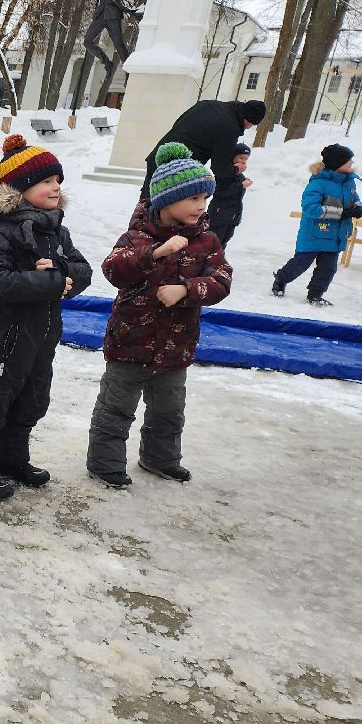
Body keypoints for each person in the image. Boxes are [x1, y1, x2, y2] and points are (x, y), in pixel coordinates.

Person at [0, 136, 92, 499]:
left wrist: (59, 272)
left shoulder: (57, 231)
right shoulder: (1, 230)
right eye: (46, 181)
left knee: (30, 401)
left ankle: (11, 458)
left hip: (41, 337)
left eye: (58, 180)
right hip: (2, 337)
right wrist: (49, 281)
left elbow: (82, 270)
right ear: (22, 188)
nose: (55, 187)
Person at [87, 144, 232, 487]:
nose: (201, 206)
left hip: (176, 346)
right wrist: (153, 254)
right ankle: (104, 464)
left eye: (205, 199)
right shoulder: (137, 235)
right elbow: (114, 271)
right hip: (130, 343)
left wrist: (186, 290)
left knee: (169, 411)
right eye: (193, 197)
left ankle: (160, 458)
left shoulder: (207, 240)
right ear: (167, 199)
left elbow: (222, 280)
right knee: (115, 409)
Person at [272, 143, 362, 307]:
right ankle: (281, 279)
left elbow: (353, 198)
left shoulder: (349, 182)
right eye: (348, 160)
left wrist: (358, 207)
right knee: (301, 263)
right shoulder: (318, 183)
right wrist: (340, 213)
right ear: (337, 164)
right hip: (315, 233)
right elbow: (310, 208)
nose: (351, 163)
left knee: (328, 269)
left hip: (335, 235)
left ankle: (315, 294)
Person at [142, 98, 264, 198]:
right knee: (161, 217)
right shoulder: (230, 128)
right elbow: (219, 169)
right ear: (248, 120)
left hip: (158, 157)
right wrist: (236, 169)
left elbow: (178, 123)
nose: (249, 127)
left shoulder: (209, 104)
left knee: (144, 209)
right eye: (252, 124)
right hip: (177, 173)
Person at [206, 141, 252, 248]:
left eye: (246, 159)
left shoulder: (239, 174)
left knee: (223, 242)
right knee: (213, 243)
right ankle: (210, 263)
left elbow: (236, 195)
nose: (244, 161)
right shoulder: (225, 171)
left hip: (232, 216)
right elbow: (221, 192)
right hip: (219, 216)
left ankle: (219, 262)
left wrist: (243, 183)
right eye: (241, 158)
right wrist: (241, 186)